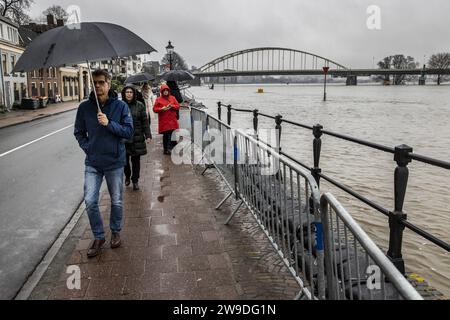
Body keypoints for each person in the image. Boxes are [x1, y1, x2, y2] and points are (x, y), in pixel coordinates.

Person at [74, 69, 134, 258]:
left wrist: (109, 123)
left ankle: (115, 231)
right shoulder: (84, 108)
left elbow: (128, 132)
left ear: (108, 84)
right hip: (93, 162)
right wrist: (88, 147)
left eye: (101, 82)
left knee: (116, 201)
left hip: (115, 162)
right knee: (90, 201)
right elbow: (78, 132)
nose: (97, 86)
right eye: (94, 83)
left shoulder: (121, 106)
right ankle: (99, 236)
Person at [121, 86, 152, 191]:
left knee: (136, 161)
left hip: (137, 137)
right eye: (127, 92)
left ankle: (135, 181)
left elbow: (145, 122)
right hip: (124, 138)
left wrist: (148, 135)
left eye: (131, 92)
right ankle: (127, 176)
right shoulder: (120, 106)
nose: (129, 94)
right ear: (124, 94)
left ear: (134, 94)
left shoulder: (140, 105)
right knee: (124, 161)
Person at [153, 84, 180, 155]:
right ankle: (166, 149)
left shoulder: (173, 98)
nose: (165, 92)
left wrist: (172, 106)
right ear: (162, 91)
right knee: (165, 135)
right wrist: (161, 109)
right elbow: (154, 109)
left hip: (172, 120)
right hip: (164, 120)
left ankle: (172, 148)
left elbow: (177, 106)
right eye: (164, 91)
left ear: (168, 91)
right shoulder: (158, 99)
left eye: (166, 90)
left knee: (173, 134)